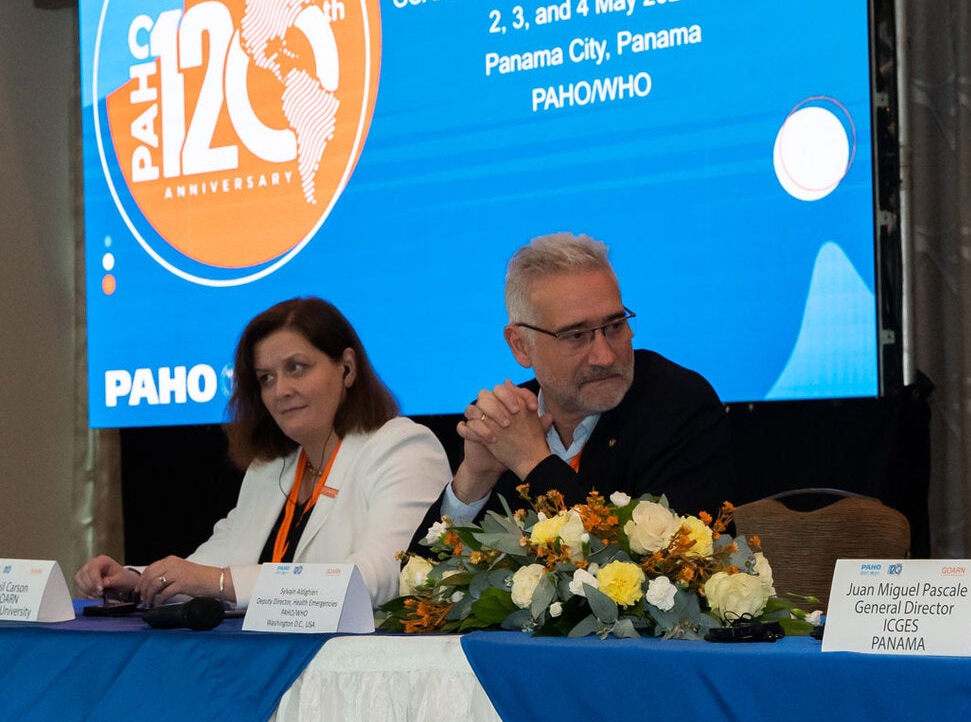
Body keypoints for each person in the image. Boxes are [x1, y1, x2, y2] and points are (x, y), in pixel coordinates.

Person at [76, 297, 451, 609]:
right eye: (266, 378)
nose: (280, 390)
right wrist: (136, 580)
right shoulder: (272, 467)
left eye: (297, 368)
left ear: (347, 368)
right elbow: (210, 564)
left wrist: (220, 582)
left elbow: (383, 576)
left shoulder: (401, 448)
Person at [412, 233, 732, 547]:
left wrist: (533, 463)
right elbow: (419, 589)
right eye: (576, 336)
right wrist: (473, 481)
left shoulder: (679, 406)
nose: (605, 356)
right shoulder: (506, 422)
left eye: (615, 326)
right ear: (521, 346)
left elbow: (653, 580)